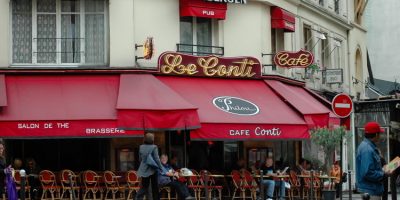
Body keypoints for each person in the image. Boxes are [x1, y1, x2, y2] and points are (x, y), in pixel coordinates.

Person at [356, 121, 392, 200]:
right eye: (379, 133)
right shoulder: (367, 149)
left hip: (371, 190)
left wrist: (382, 168)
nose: (380, 136)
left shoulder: (367, 146)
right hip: (371, 192)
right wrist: (384, 174)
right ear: (376, 135)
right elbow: (368, 172)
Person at [136, 133, 166, 200]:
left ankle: (137, 198)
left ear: (145, 139)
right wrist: (161, 168)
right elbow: (157, 159)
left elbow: (140, 159)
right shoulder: (154, 147)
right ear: (152, 139)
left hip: (144, 169)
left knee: (144, 186)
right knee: (155, 186)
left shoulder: (141, 147)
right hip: (152, 169)